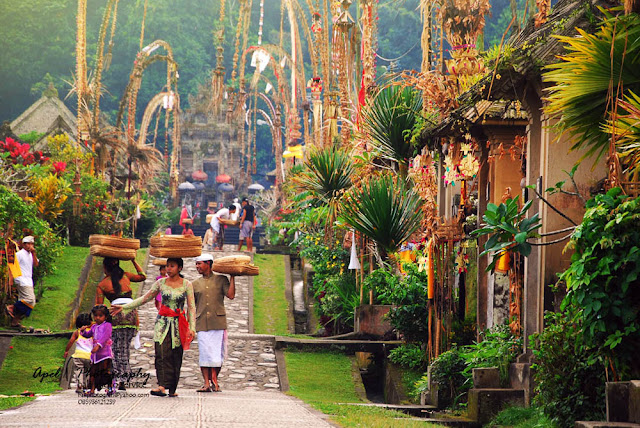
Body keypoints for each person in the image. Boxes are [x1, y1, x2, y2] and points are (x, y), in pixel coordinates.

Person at [111, 258, 196, 398]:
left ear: (180, 268)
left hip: (178, 324)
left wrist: (192, 328)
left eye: (172, 266)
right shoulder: (160, 283)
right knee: (161, 353)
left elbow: (191, 307)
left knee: (176, 355)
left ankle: (172, 388)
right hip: (162, 323)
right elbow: (145, 298)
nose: (168, 269)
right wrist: (125, 307)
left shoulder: (187, 285)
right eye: (167, 266)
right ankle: (161, 385)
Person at [96, 257, 146, 391]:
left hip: (116, 316)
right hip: (131, 316)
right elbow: (143, 276)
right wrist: (134, 261)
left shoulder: (102, 284)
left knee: (116, 349)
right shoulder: (127, 276)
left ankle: (120, 377)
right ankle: (124, 376)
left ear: (105, 268)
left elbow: (98, 307)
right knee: (125, 348)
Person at [192, 254, 235, 392]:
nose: (197, 266)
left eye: (200, 264)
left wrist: (233, 277)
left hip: (218, 322)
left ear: (209, 264)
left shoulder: (221, 280)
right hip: (202, 323)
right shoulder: (194, 284)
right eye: (196, 264)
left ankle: (214, 380)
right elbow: (191, 304)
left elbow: (231, 295)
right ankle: (206, 383)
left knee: (217, 353)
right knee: (204, 353)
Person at [5, 236, 39, 328]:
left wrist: (34, 253)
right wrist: (11, 279)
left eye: (31, 244)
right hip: (21, 279)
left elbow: (36, 264)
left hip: (29, 280)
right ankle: (12, 307)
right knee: (30, 300)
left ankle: (15, 322)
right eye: (28, 244)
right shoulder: (20, 254)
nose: (30, 246)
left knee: (30, 303)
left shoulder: (31, 255)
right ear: (24, 245)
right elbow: (11, 265)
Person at [80, 305, 114, 395]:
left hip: (105, 354)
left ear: (105, 317)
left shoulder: (107, 325)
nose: (97, 318)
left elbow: (105, 337)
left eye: (100, 316)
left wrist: (98, 346)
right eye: (95, 316)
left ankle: (110, 387)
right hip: (95, 355)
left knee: (106, 371)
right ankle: (91, 389)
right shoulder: (94, 327)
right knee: (93, 372)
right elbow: (88, 334)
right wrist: (83, 331)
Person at [63, 313, 93, 392]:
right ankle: (86, 385)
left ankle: (79, 385)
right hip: (90, 356)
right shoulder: (92, 331)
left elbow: (71, 342)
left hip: (79, 355)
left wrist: (66, 351)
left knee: (79, 370)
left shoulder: (77, 332)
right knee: (87, 371)